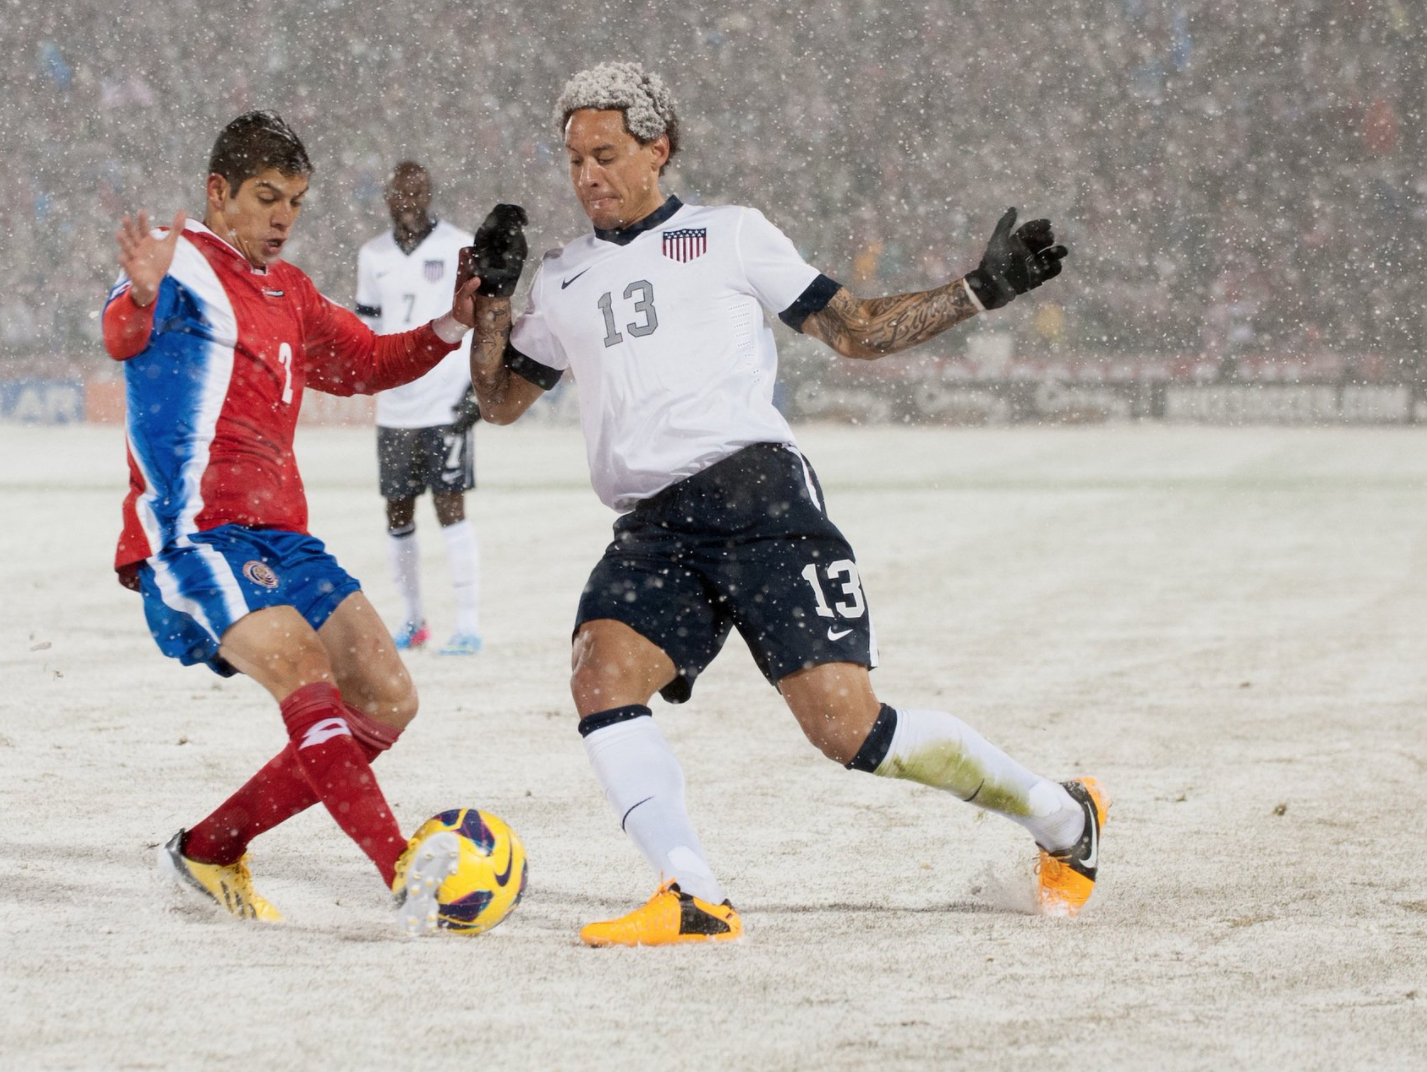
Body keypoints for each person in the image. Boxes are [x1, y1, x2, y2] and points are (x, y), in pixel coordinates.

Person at [469, 63, 1102, 947]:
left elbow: (855, 331)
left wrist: (977, 290)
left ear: (660, 149)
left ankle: (1063, 818)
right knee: (599, 677)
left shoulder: (729, 236)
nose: (586, 178)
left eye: (606, 156)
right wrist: (494, 297)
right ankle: (692, 895)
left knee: (850, 731)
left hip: (759, 500)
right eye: (574, 160)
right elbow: (497, 399)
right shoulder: (565, 277)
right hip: (653, 527)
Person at [103, 111, 477, 932]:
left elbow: (372, 362)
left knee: (386, 696)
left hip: (284, 542)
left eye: (296, 202)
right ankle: (402, 869)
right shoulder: (178, 265)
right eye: (267, 197)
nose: (282, 218)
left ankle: (207, 848)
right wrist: (137, 292)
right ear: (217, 191)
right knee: (304, 667)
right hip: (194, 537)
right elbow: (121, 331)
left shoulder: (291, 292)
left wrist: (455, 321)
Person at [353, 162, 484, 656]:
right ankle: (413, 621)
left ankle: (468, 624)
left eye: (415, 190)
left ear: (428, 193)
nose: (406, 199)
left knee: (451, 509)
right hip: (395, 406)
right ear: (387, 196)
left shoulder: (459, 245)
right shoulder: (373, 256)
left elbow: (483, 319)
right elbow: (367, 330)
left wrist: (476, 387)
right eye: (398, 191)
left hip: (445, 402)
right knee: (397, 513)